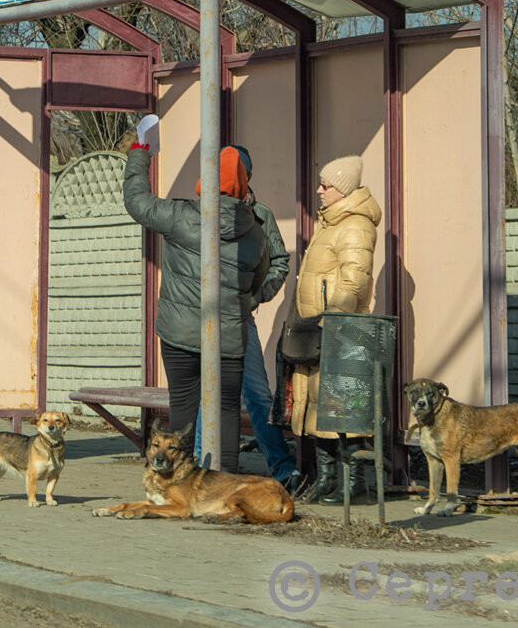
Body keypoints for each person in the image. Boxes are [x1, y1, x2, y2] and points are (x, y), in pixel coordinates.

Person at [122, 142, 269, 473]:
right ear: (243, 184)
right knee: (227, 410)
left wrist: (139, 153)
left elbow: (136, 202)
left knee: (183, 408)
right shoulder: (256, 233)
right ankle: (224, 486)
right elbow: (258, 281)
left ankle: (178, 482)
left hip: (180, 334)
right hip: (229, 337)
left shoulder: (180, 216)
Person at [192, 145, 302, 494]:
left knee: (256, 392)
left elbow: (280, 261)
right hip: (205, 316)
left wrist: (257, 296)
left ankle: (282, 468)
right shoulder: (200, 211)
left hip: (240, 317)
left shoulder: (261, 215)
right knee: (205, 390)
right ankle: (199, 470)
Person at [286, 154, 381, 504]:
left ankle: (355, 484)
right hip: (317, 330)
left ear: (342, 189)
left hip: (339, 332)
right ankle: (327, 479)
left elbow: (355, 280)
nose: (319, 190)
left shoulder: (354, 225)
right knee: (318, 406)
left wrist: (334, 322)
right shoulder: (330, 222)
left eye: (326, 185)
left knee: (343, 408)